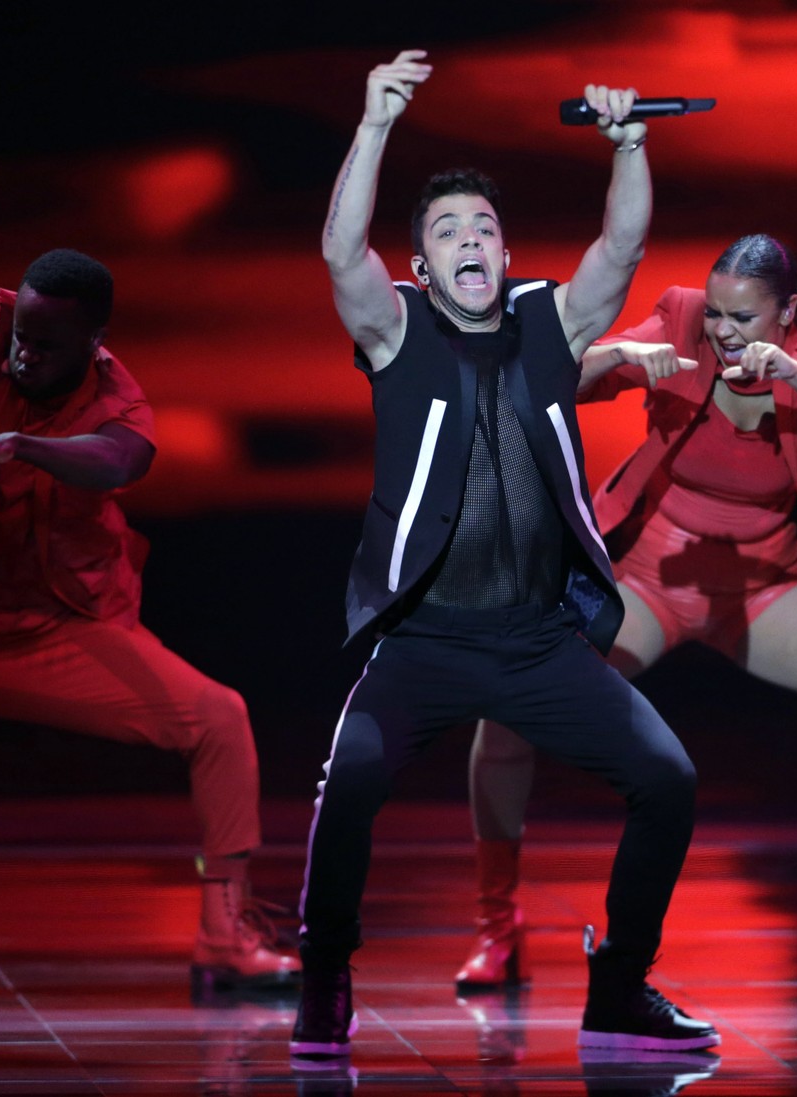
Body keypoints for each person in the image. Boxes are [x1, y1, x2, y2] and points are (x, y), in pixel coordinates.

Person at [291, 49, 719, 1067]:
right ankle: (324, 974)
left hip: (537, 641)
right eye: (447, 231)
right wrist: (375, 122)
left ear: (505, 248)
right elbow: (341, 249)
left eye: (482, 225)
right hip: (426, 642)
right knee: (345, 787)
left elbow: (622, 245)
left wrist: (629, 142)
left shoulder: (547, 322)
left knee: (669, 779)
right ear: (425, 266)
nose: (469, 238)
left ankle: (618, 989)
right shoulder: (396, 332)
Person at [456, 234, 797, 990]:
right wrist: (616, 356)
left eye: (742, 317)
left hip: (765, 585)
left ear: (789, 313)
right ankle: (496, 925)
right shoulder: (681, 319)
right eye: (716, 313)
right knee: (507, 713)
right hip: (650, 579)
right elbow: (553, 387)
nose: (722, 330)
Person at [0, 249, 298, 994]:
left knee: (219, 719)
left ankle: (226, 934)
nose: (24, 351)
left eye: (48, 344)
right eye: (24, 332)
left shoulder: (118, 400)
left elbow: (119, 460)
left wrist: (23, 445)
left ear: (94, 343)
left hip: (56, 638)